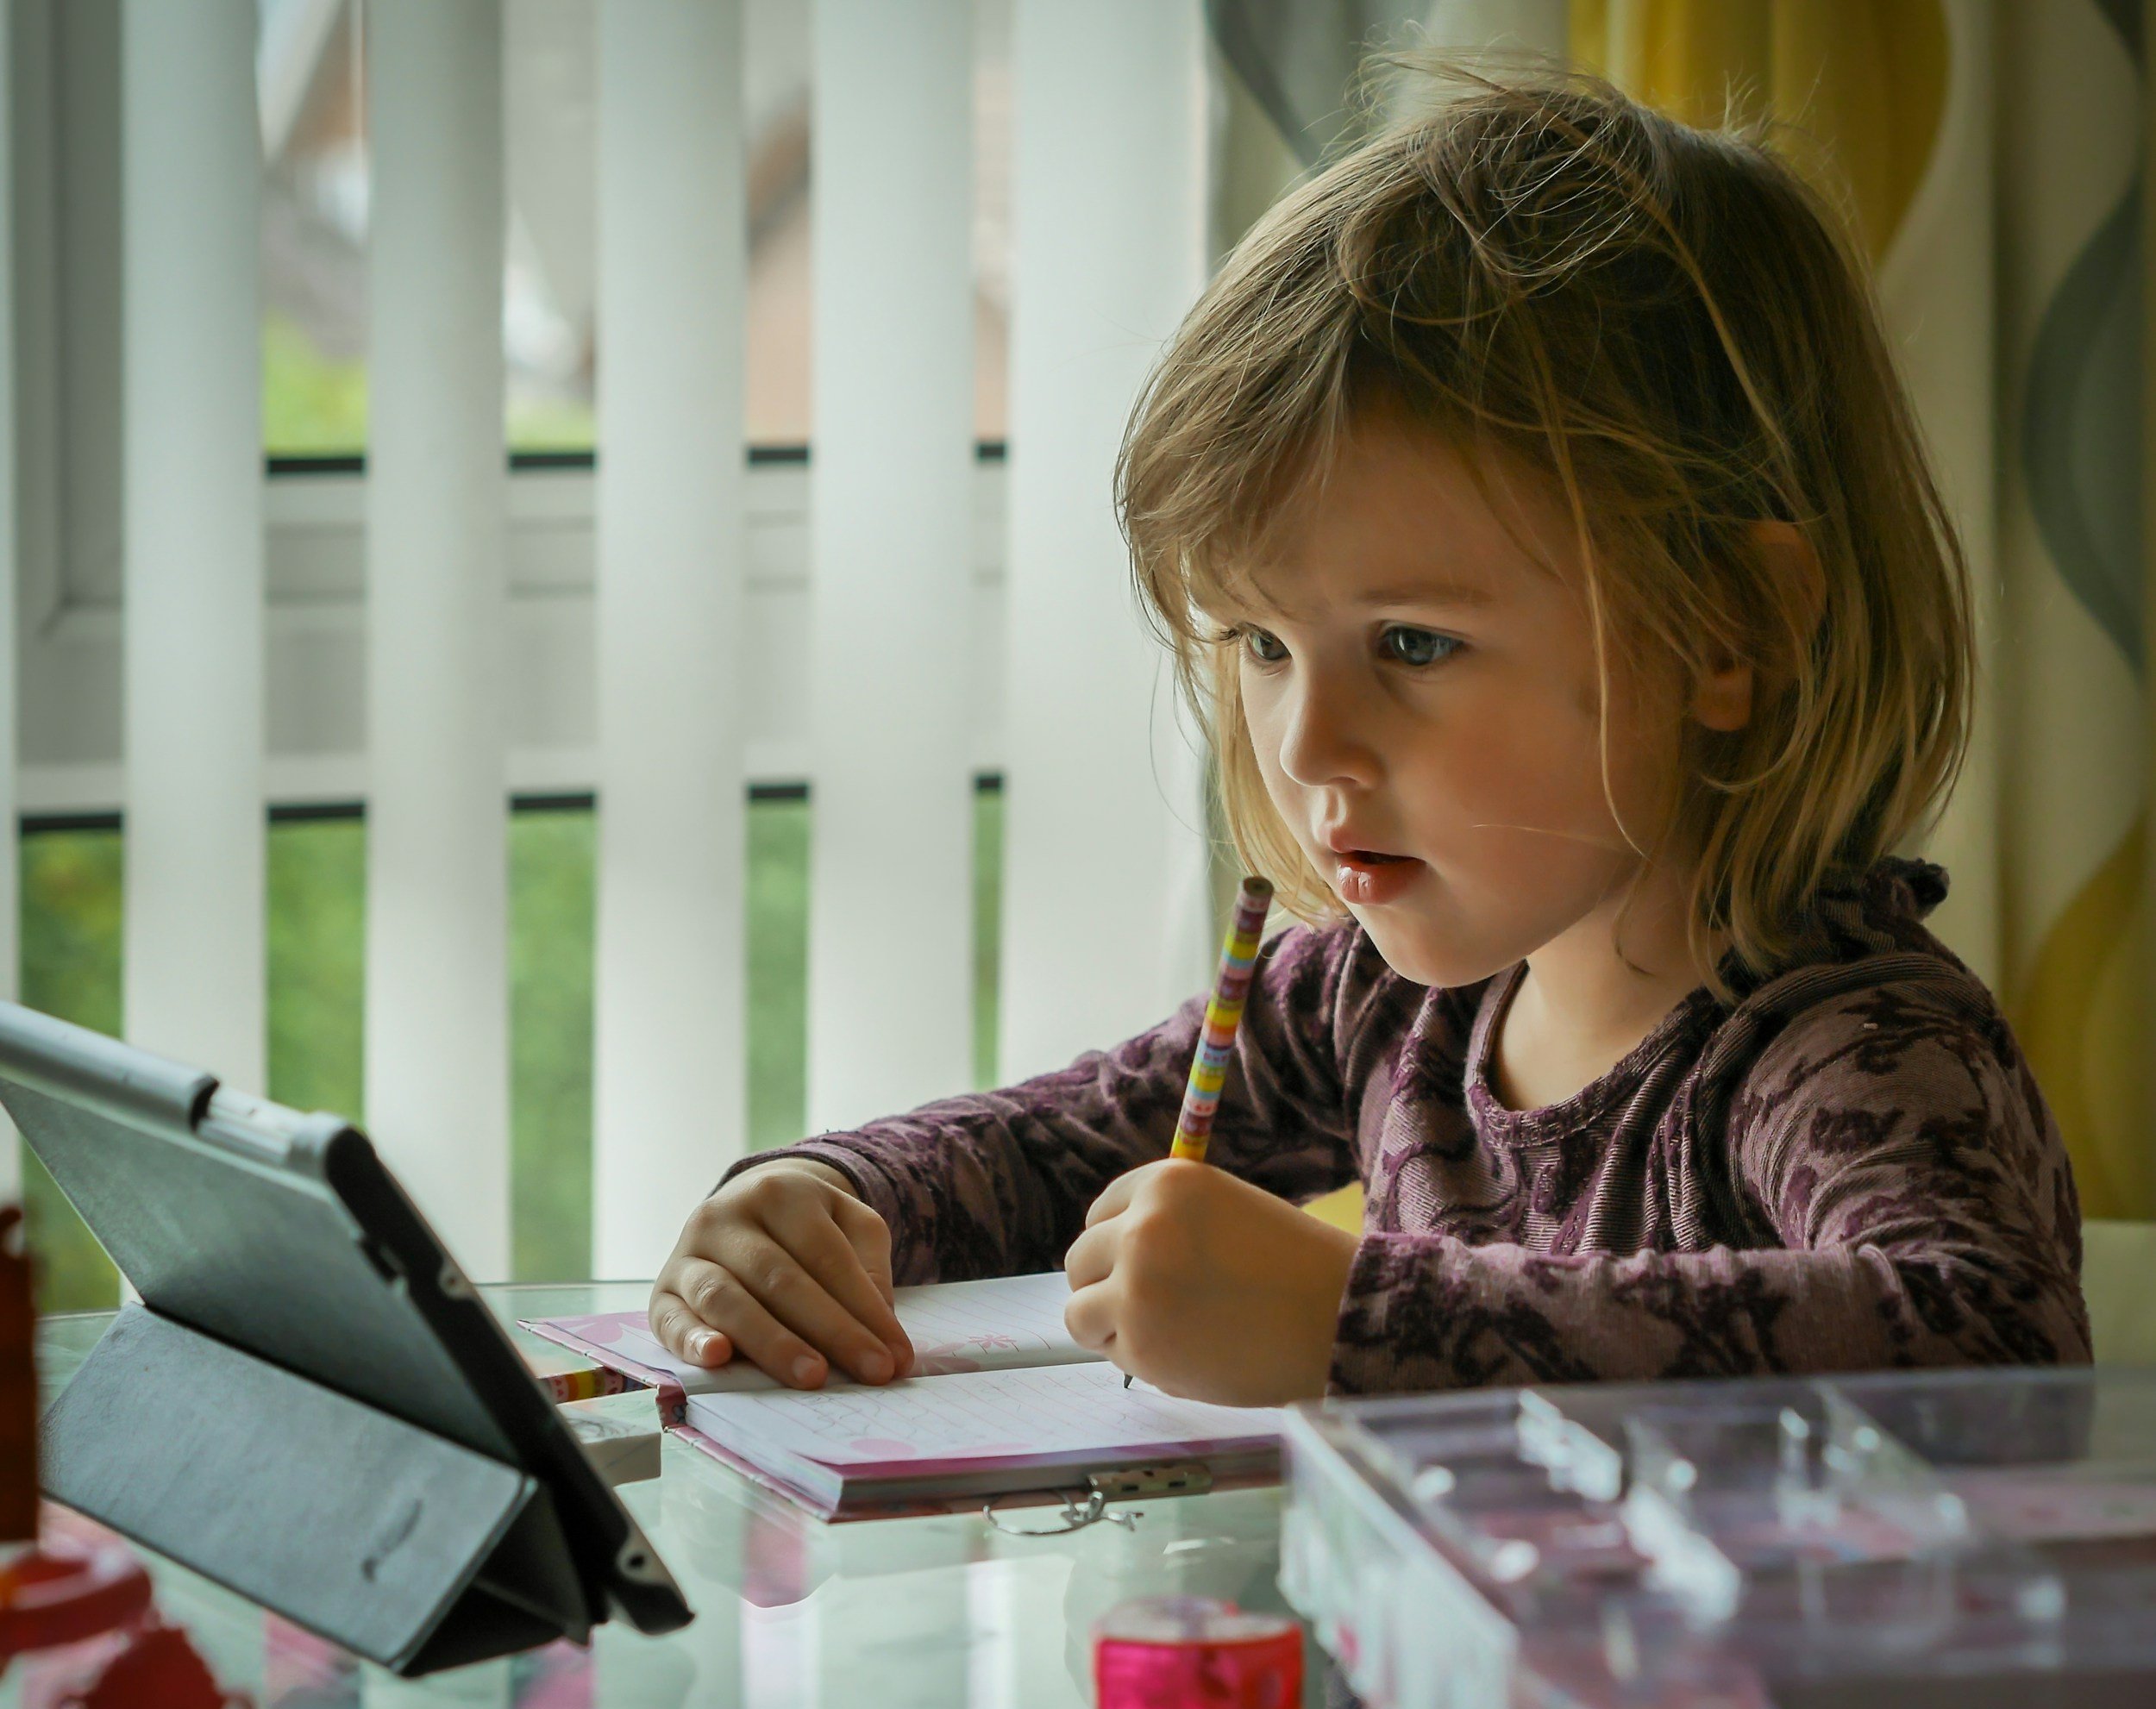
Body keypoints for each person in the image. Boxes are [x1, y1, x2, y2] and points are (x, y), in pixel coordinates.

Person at [649, 68, 2089, 1405]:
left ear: (1730, 634)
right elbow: (1037, 1154)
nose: (1308, 745)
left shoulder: (1845, 1048)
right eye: (1263, 646)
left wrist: (1360, 1318)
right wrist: (820, 1199)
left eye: (1413, 644)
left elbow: (1991, 1345)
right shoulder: (1371, 1005)